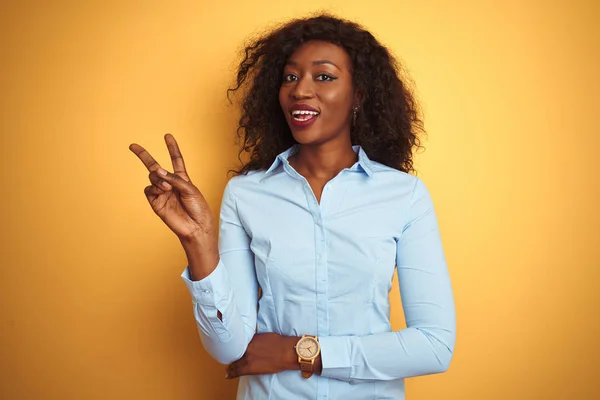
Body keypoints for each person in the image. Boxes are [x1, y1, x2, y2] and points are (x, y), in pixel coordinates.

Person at [130, 13, 456, 400]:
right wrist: (198, 242)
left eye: (324, 76)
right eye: (290, 77)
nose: (301, 90)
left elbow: (434, 345)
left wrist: (299, 352)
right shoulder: (246, 193)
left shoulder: (404, 195)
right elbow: (230, 348)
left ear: (359, 95)